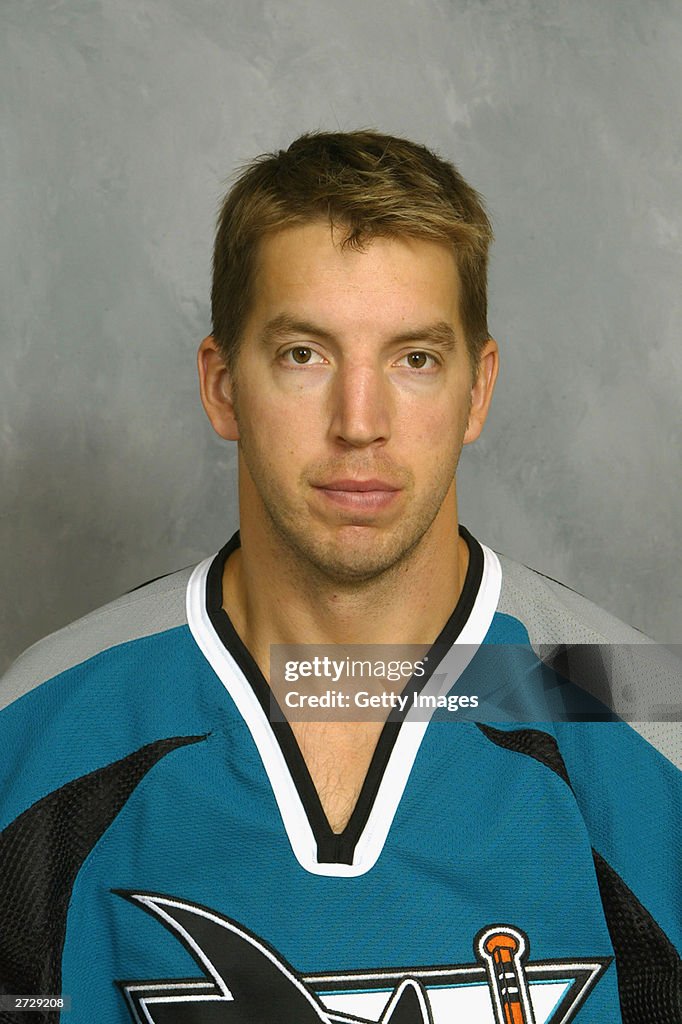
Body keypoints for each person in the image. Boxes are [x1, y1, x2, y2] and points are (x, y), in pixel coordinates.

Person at [0, 131, 679, 1024]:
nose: (360, 424)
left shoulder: (637, 710)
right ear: (221, 386)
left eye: (415, 359)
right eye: (304, 355)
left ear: (476, 392)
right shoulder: (43, 728)